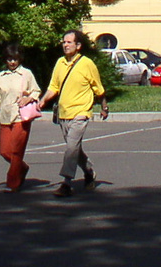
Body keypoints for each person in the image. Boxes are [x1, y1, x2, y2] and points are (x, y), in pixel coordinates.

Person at [37, 29, 108, 197]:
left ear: (78, 45)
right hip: (63, 113)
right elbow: (53, 86)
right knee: (74, 148)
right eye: (64, 42)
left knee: (70, 148)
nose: (65, 45)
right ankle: (89, 171)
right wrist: (43, 100)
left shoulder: (87, 64)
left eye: (69, 42)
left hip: (81, 112)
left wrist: (104, 107)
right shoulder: (60, 63)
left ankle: (66, 184)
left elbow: (98, 88)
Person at [0, 43, 41, 192]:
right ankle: (22, 167)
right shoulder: (1, 76)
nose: (12, 62)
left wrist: (28, 99)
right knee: (4, 151)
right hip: (5, 117)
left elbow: (36, 91)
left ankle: (13, 183)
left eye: (15, 59)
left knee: (16, 151)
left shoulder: (26, 74)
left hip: (21, 117)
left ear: (19, 59)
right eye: (9, 59)